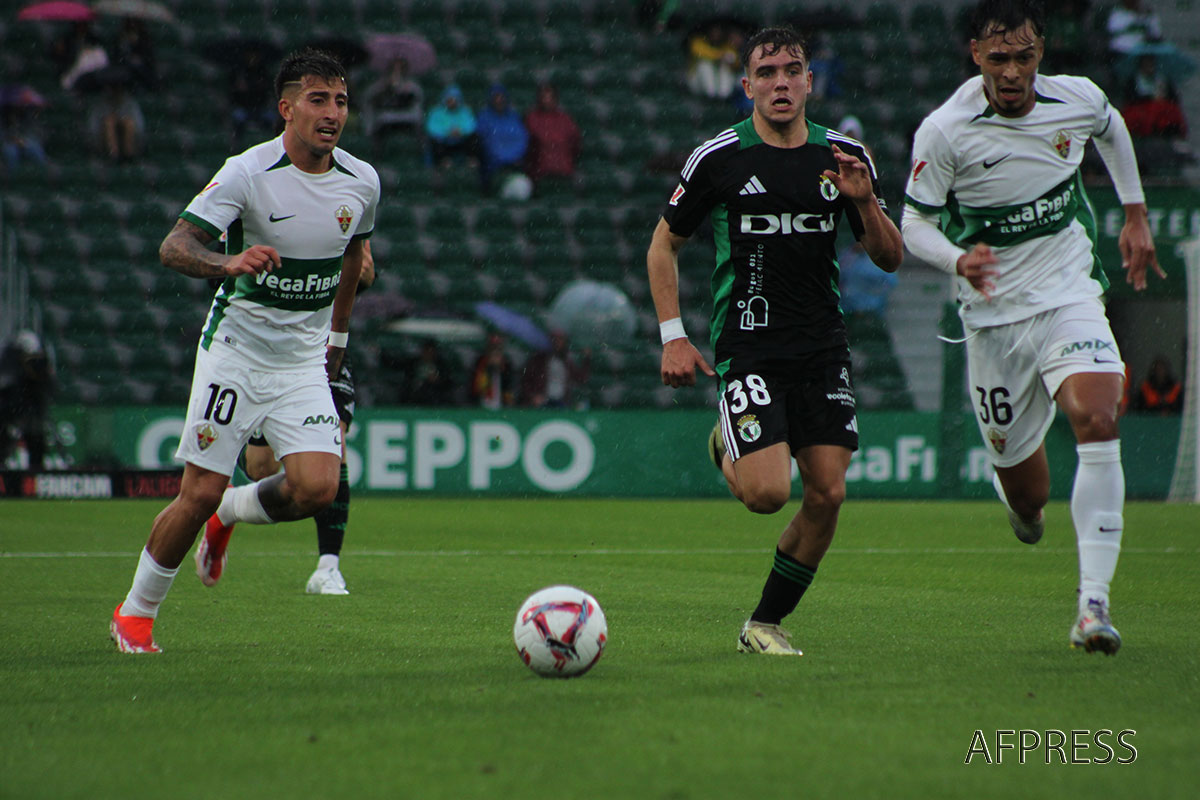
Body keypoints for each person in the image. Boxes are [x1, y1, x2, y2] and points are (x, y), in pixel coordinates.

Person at [901, 0, 1162, 656]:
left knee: (1099, 418)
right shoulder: (946, 130)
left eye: (1023, 57)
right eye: (998, 59)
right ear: (975, 55)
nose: (1012, 72)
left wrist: (1134, 212)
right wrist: (959, 258)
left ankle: (1092, 607)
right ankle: (1021, 505)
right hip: (992, 317)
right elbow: (913, 224)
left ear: (1040, 52)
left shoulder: (1076, 100)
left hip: (1068, 289)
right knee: (1028, 495)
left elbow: (1111, 127)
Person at [109, 49, 380, 653]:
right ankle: (134, 614)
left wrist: (335, 342)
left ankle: (228, 513)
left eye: (340, 100)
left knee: (317, 488)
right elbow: (174, 246)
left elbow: (356, 261)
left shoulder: (361, 182)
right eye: (317, 99)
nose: (332, 112)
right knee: (197, 490)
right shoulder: (247, 172)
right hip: (235, 352)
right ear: (286, 108)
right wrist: (226, 262)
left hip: (303, 360)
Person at [647, 26, 903, 656]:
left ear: (810, 81)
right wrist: (673, 337)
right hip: (751, 345)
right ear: (747, 87)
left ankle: (763, 623)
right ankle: (725, 441)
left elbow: (890, 257)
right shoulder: (719, 158)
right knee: (766, 495)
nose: (781, 82)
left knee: (829, 492)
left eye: (793, 70)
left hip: (822, 347)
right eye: (767, 73)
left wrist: (865, 203)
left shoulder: (844, 156)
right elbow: (663, 245)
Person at [225, 240, 377, 596]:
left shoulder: (343, 197)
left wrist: (362, 271)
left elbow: (364, 273)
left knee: (333, 442)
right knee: (260, 468)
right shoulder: (256, 199)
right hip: (263, 347)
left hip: (321, 347)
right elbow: (225, 275)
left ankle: (327, 568)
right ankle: (229, 507)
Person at [0, 330, 54, 470]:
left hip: (29, 410)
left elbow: (48, 387)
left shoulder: (38, 370)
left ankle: (35, 471)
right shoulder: (11, 365)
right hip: (12, 410)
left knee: (35, 441)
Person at [365, 57, 424, 155]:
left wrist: (404, 91)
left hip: (407, 119)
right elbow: (370, 99)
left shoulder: (412, 86)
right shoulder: (380, 85)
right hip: (386, 119)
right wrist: (386, 88)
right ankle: (377, 155)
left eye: (400, 68)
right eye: (395, 68)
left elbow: (417, 101)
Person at [523, 83, 580, 185]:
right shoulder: (532, 118)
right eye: (543, 97)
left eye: (549, 97)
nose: (546, 100)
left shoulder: (565, 119)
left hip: (564, 170)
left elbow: (575, 141)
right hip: (541, 172)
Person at [518, 329, 591, 408]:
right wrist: (533, 396)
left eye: (560, 340)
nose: (557, 343)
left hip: (561, 402)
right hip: (541, 402)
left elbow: (581, 378)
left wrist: (586, 359)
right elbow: (525, 381)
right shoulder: (538, 360)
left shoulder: (567, 361)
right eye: (555, 340)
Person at [476, 84, 528, 192]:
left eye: (501, 97)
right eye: (496, 97)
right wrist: (501, 158)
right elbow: (486, 142)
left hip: (515, 164)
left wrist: (514, 157)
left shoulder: (514, 117)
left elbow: (522, 138)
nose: (499, 101)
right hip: (492, 166)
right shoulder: (484, 117)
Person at [425, 84, 478, 169]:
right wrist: (448, 132)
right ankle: (445, 161)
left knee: (474, 138)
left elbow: (472, 126)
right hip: (444, 142)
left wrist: (461, 131)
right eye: (449, 99)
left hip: (461, 141)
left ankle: (471, 160)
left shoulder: (465, 111)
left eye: (454, 99)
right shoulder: (436, 112)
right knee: (435, 142)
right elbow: (431, 128)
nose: (452, 102)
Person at [469, 331, 515, 409]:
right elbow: (476, 389)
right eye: (493, 354)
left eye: (498, 354)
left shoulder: (506, 369)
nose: (495, 358)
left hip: (502, 408)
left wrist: (507, 402)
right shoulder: (480, 366)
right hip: (481, 407)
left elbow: (509, 390)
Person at [405, 337, 456, 406]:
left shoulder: (441, 365)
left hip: (435, 394)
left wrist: (437, 380)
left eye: (431, 351)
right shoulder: (414, 363)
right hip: (415, 395)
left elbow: (448, 382)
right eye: (426, 351)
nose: (428, 354)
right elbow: (408, 380)